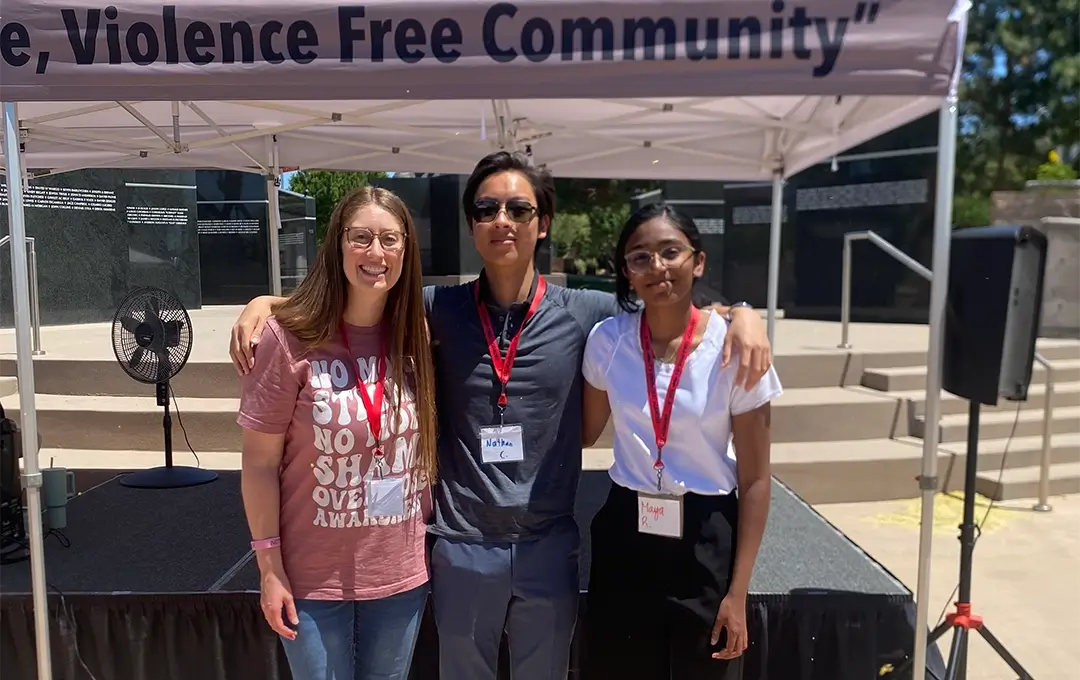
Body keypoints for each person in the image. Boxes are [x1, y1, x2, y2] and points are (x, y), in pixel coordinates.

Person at [229, 152, 773, 680]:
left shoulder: (588, 314)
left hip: (548, 547)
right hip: (462, 549)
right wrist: (267, 302)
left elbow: (667, 303)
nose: (502, 221)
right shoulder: (437, 310)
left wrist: (739, 313)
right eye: (488, 209)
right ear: (471, 225)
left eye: (518, 209)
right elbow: (362, 291)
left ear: (543, 223)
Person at [236, 186, 437, 680]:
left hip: (399, 575)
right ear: (337, 243)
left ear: (406, 251)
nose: (376, 253)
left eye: (390, 240)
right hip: (310, 579)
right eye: (361, 237)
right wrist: (269, 568)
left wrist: (266, 298)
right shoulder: (287, 341)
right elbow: (259, 465)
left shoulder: (419, 334)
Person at [579, 202, 781, 679]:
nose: (657, 267)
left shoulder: (736, 349)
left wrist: (738, 592)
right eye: (640, 257)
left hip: (705, 533)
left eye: (671, 252)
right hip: (626, 530)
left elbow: (755, 480)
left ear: (699, 260)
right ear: (626, 272)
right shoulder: (608, 341)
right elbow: (582, 434)